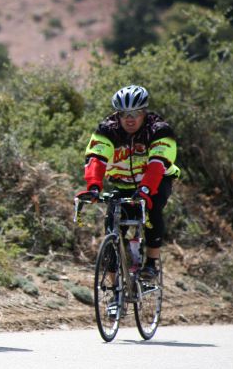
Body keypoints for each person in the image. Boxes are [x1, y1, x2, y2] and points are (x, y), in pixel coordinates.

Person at [78, 84, 181, 285]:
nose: (130, 118)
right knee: (112, 227)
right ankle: (114, 287)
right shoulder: (108, 129)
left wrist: (145, 190)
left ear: (144, 112)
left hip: (157, 180)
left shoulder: (159, 130)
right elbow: (96, 158)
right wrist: (93, 186)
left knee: (153, 210)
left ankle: (151, 263)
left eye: (136, 113)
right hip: (123, 183)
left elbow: (157, 164)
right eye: (124, 113)